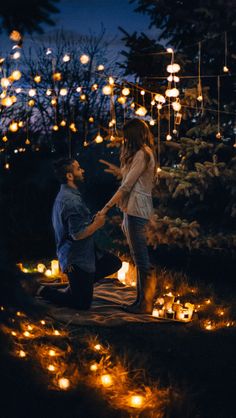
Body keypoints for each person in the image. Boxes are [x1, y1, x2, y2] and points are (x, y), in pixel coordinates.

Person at [39, 158, 122, 310]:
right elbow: (77, 235)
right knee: (82, 304)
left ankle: (79, 284)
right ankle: (43, 291)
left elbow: (74, 225)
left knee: (114, 263)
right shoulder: (71, 201)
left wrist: (91, 221)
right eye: (78, 169)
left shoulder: (67, 194)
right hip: (77, 260)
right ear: (69, 176)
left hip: (85, 254)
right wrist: (97, 225)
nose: (82, 171)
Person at [99, 118, 157, 314]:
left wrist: (106, 207)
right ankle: (140, 301)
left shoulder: (142, 154)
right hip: (132, 209)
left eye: (126, 137)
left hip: (136, 210)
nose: (124, 141)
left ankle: (145, 304)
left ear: (132, 136)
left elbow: (126, 186)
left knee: (140, 257)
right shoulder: (140, 154)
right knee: (136, 255)